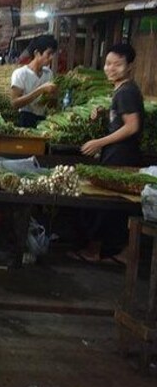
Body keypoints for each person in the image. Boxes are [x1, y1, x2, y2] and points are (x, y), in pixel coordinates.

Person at [70, 43, 144, 263]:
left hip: (121, 155)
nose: (111, 68)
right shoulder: (122, 89)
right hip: (117, 152)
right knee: (111, 206)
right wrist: (104, 115)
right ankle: (115, 251)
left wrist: (98, 142)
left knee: (105, 205)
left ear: (129, 66)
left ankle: (96, 251)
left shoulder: (127, 91)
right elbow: (121, 120)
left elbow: (132, 126)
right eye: (108, 63)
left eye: (118, 64)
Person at [10, 34, 58, 128]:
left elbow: (52, 104)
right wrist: (40, 90)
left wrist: (53, 96)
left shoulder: (48, 74)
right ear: (37, 53)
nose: (51, 57)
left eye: (53, 54)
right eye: (49, 53)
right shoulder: (21, 73)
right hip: (25, 119)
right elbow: (14, 103)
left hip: (43, 121)